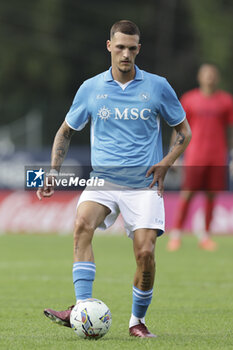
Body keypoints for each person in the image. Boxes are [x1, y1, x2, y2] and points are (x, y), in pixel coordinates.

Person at [37, 20, 191, 338]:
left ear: (138, 49)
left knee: (146, 254)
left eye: (132, 48)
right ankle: (81, 309)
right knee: (82, 225)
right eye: (120, 47)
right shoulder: (91, 88)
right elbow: (65, 132)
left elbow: (184, 132)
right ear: (110, 47)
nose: (125, 54)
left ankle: (137, 321)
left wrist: (165, 163)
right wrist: (53, 172)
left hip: (144, 183)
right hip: (103, 179)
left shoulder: (158, 86)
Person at [167, 63, 233, 252]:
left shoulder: (226, 101)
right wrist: (175, 154)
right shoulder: (189, 99)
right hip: (195, 155)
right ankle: (176, 234)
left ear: (217, 78)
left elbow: (229, 131)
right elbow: (179, 128)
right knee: (187, 194)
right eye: (206, 74)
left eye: (213, 74)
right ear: (200, 77)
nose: (209, 77)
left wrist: (230, 156)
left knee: (212, 196)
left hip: (216, 156)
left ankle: (205, 236)